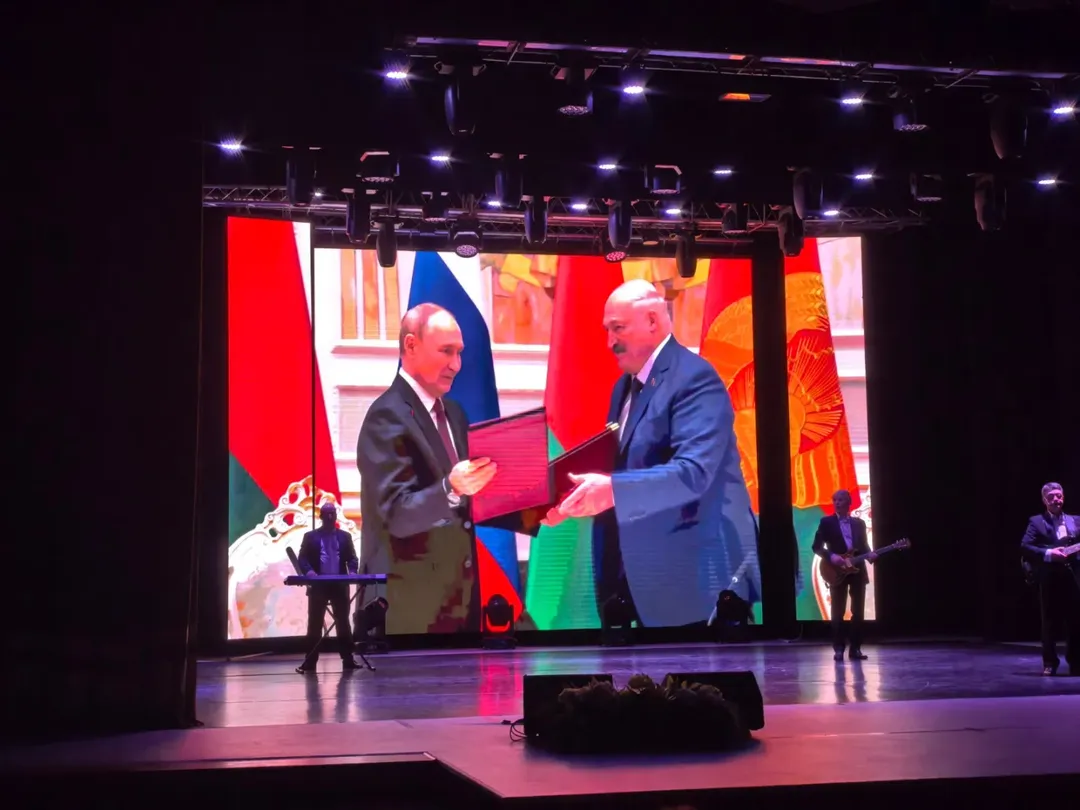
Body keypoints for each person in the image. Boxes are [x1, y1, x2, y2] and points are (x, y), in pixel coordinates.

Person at [543, 279, 760, 628]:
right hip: (634, 580)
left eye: (618, 328)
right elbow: (624, 465)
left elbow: (693, 473)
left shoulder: (695, 378)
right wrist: (566, 498)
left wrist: (611, 491)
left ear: (653, 321)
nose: (609, 341)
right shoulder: (624, 386)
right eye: (607, 330)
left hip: (694, 585)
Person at [356, 303, 498, 634]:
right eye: (446, 351)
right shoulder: (385, 416)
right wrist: (450, 488)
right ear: (411, 345)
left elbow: (465, 506)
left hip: (460, 609)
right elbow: (395, 515)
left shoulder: (455, 413)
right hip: (405, 615)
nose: (456, 364)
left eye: (459, 352)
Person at [1020, 482, 1080, 676]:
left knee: (1076, 622)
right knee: (1050, 622)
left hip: (1073, 577)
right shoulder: (1036, 521)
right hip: (1049, 578)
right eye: (1052, 496)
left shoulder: (1075, 521)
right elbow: (1026, 546)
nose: (1056, 499)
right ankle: (1050, 663)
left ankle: (1076, 663)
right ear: (1044, 500)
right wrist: (1049, 553)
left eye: (1059, 495)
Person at [295, 502, 360, 674]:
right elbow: (302, 559)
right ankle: (310, 662)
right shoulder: (310, 537)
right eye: (327, 513)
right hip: (319, 586)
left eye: (333, 513)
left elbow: (352, 558)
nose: (330, 517)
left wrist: (353, 571)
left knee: (343, 623)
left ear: (336, 516)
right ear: (321, 516)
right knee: (315, 623)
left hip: (339, 585)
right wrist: (309, 572)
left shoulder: (345, 536)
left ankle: (348, 659)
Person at [812, 489, 876, 661]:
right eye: (835, 500)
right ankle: (839, 649)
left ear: (849, 503)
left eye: (840, 500)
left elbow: (863, 545)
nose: (837, 503)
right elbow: (816, 547)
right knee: (837, 611)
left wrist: (870, 554)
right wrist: (831, 556)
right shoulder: (826, 522)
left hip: (857, 569)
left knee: (858, 611)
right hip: (836, 570)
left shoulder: (859, 523)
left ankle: (855, 649)